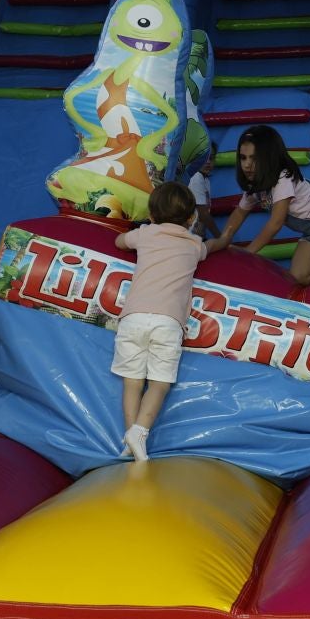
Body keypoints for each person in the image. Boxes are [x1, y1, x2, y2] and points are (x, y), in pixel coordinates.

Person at [112, 181, 206, 463]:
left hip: (134, 317)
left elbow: (119, 242)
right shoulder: (193, 244)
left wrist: (135, 232)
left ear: (151, 216)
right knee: (159, 384)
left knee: (132, 383)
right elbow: (207, 250)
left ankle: (131, 436)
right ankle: (139, 432)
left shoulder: (145, 234)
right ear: (191, 219)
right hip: (167, 321)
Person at [205, 125, 310, 286]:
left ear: (268, 157)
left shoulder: (282, 178)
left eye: (254, 158)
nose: (247, 165)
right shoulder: (256, 186)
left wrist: (249, 251)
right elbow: (240, 213)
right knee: (297, 279)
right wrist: (224, 240)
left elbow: (276, 222)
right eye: (243, 158)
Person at [187, 157, 214, 237]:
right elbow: (203, 213)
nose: (208, 162)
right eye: (204, 157)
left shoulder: (206, 181)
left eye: (211, 158)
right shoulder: (196, 178)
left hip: (196, 233)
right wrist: (219, 237)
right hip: (190, 233)